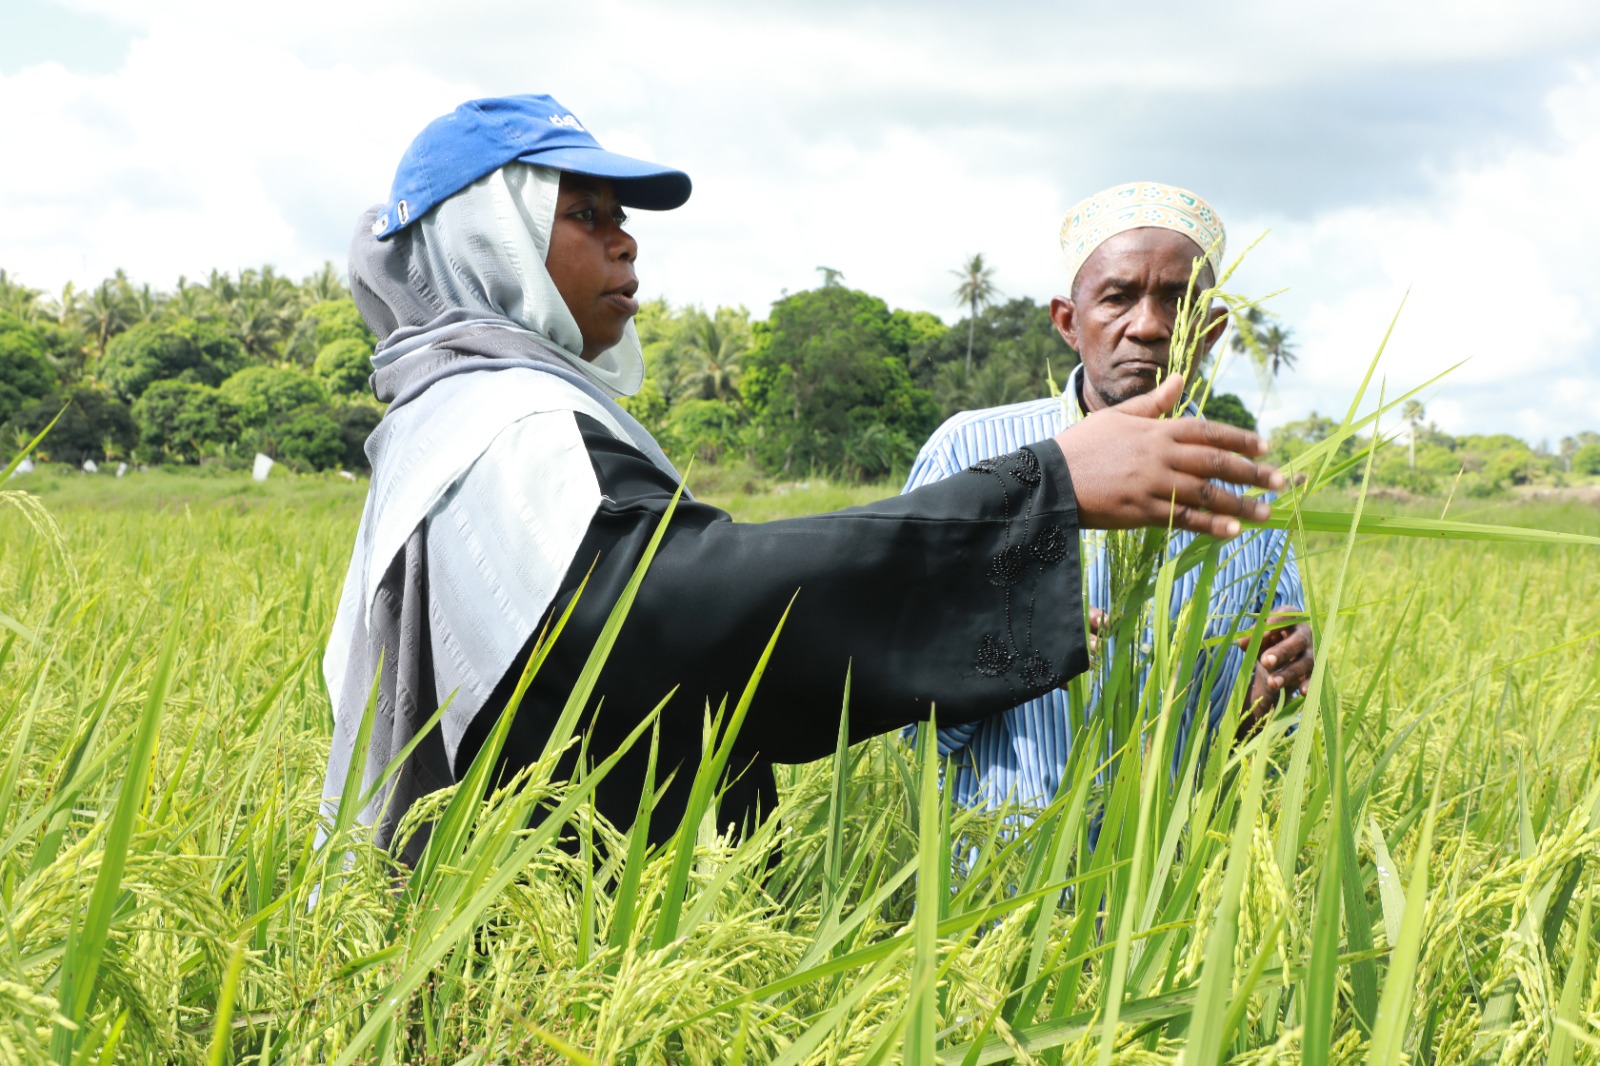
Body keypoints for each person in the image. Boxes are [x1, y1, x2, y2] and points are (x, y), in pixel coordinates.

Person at [319, 102, 1290, 863]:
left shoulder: (492, 411)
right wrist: (1047, 492)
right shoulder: (504, 422)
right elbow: (684, 613)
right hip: (540, 942)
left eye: (622, 219)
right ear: (486, 241)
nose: (626, 243)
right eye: (585, 216)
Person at [904, 181, 1314, 815]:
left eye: (1178, 301)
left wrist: (1279, 687)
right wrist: (1009, 649)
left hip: (1179, 866)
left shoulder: (1244, 488)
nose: (1147, 326)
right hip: (1002, 864)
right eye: (1118, 297)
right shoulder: (970, 453)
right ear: (1069, 322)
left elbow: (1265, 732)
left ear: (1209, 331)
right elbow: (907, 716)